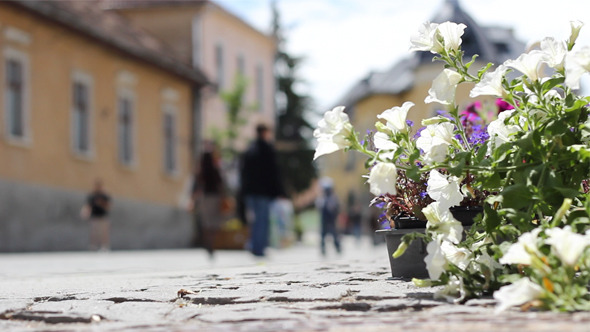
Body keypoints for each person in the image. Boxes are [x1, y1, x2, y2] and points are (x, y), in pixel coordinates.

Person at [240, 124, 284, 257]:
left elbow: (243, 172)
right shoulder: (267, 149)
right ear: (265, 132)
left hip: (250, 192)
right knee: (262, 220)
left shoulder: (249, 149)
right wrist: (278, 191)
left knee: (254, 220)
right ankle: (259, 247)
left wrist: (244, 191)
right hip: (263, 192)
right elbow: (273, 172)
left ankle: (254, 245)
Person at [191, 142, 226, 258]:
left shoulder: (201, 171)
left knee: (206, 222)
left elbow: (196, 185)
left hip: (204, 197)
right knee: (214, 223)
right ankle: (212, 244)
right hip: (214, 197)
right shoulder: (215, 168)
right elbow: (221, 184)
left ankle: (208, 244)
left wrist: (193, 199)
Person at [81, 178, 111, 251]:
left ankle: (104, 246)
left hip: (103, 216)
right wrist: (85, 212)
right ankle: (93, 246)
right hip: (94, 216)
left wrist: (101, 203)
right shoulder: (92, 196)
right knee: (94, 232)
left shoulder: (104, 196)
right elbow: (88, 205)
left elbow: (108, 205)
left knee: (103, 232)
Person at [317, 177, 341, 256]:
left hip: (332, 218)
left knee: (334, 234)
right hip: (324, 218)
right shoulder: (322, 198)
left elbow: (337, 207)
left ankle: (337, 247)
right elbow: (319, 207)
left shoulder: (333, 197)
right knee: (323, 234)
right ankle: (323, 249)